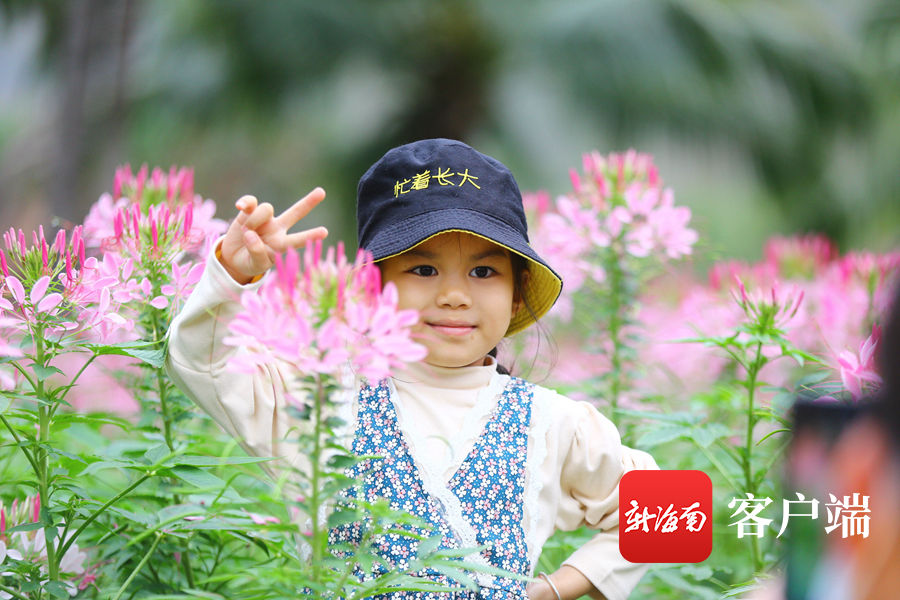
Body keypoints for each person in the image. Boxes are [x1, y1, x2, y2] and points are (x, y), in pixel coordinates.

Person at [166, 138, 657, 600]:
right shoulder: (320, 394)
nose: (454, 294)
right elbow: (202, 362)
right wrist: (233, 274)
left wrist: (551, 589)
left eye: (484, 272)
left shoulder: (552, 424)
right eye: (422, 269)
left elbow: (672, 512)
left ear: (516, 294)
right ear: (372, 287)